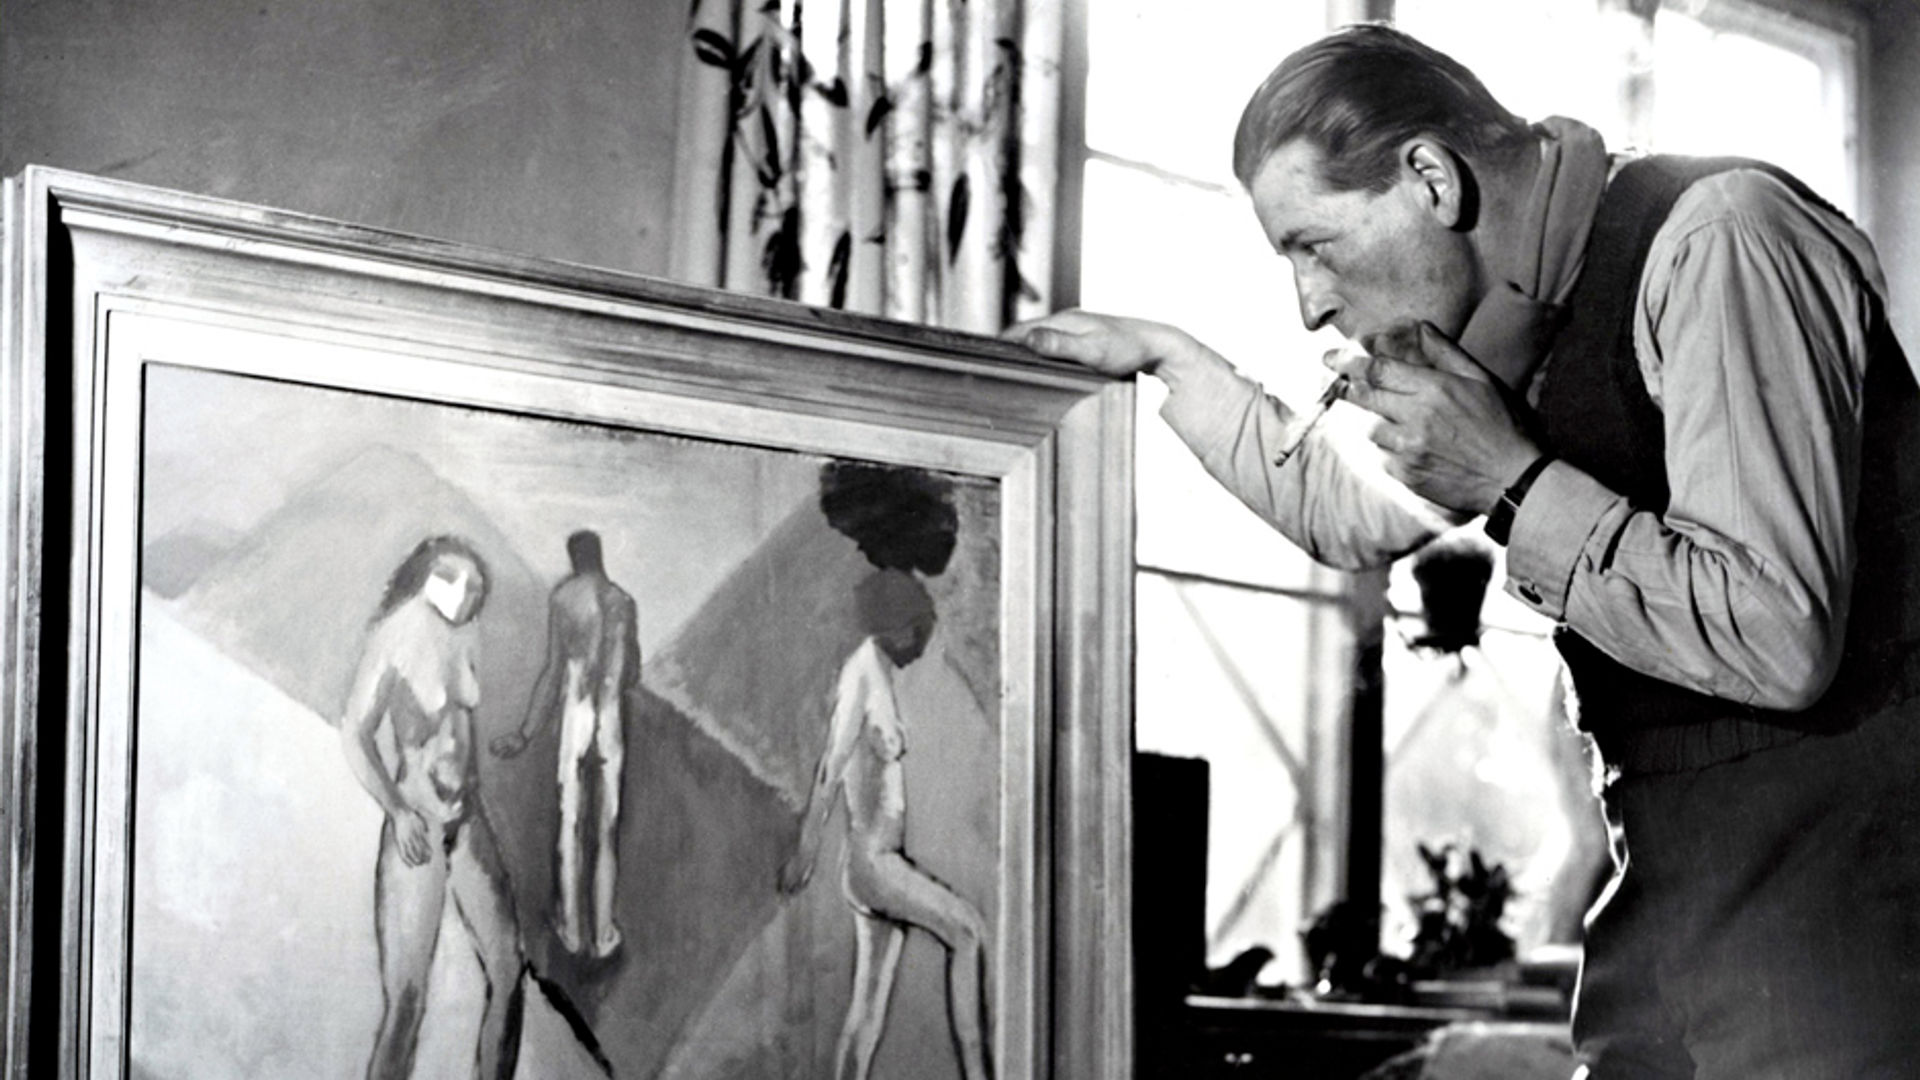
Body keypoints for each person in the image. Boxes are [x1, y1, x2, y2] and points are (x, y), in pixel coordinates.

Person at [1010, 24, 1920, 1080]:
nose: (1309, 307)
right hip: (1683, 921)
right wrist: (1170, 360)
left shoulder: (1723, 237)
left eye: (1314, 246)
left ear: (1431, 179)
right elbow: (1351, 516)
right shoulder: (1528, 314)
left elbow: (1776, 637)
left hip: (1852, 921)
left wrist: (1514, 480)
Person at [778, 569, 993, 1080]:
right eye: (915, 630)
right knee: (968, 933)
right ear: (891, 628)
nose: (920, 641)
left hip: (879, 860)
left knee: (867, 1014)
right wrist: (804, 854)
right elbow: (830, 768)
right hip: (872, 862)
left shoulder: (880, 671)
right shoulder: (860, 674)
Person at [340, 535, 526, 1080]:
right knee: (406, 1002)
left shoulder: (467, 634)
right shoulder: (395, 635)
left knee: (509, 971)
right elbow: (355, 733)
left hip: (468, 821)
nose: (464, 593)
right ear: (423, 576)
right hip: (418, 824)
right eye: (450, 578)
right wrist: (397, 811)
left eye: (475, 586)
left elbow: (459, 728)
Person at [492, 528, 639, 959]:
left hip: (576, 715)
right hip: (610, 717)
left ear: (575, 558)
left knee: (570, 822)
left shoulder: (563, 599)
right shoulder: (623, 602)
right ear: (600, 556)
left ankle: (572, 931)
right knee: (606, 828)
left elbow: (554, 670)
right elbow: (632, 671)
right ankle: (604, 932)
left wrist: (525, 733)